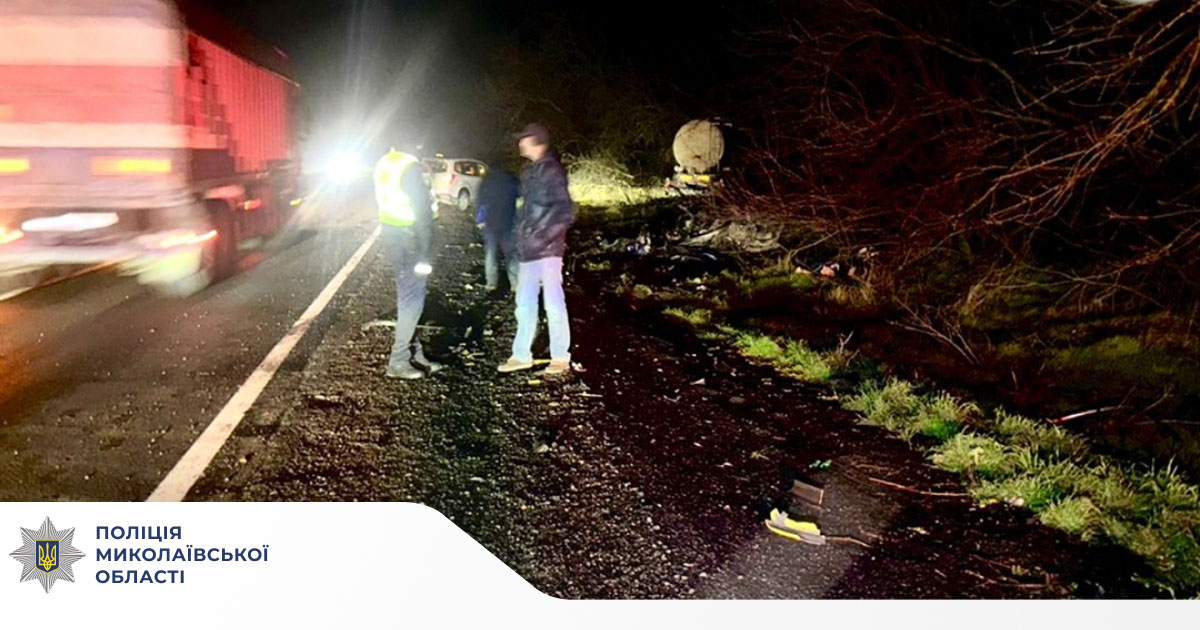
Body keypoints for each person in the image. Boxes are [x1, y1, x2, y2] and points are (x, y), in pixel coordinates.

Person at [498, 123, 574, 376]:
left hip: (547, 250)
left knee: (553, 303)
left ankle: (560, 357)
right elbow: (528, 211)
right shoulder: (531, 171)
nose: (520, 143)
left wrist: (542, 237)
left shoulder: (551, 171)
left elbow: (563, 211)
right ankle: (521, 355)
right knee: (524, 303)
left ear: (537, 142)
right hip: (529, 249)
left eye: (524, 139)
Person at [373, 147, 442, 380]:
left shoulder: (385, 163)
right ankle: (398, 360)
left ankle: (415, 353)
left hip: (395, 237)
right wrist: (426, 253)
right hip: (412, 240)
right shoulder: (410, 167)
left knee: (408, 296)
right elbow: (422, 211)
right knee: (412, 300)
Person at [474, 167, 520, 292]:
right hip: (509, 221)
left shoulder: (487, 180)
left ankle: (491, 283)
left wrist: (480, 219)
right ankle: (515, 283)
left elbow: (481, 201)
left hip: (491, 223)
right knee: (511, 254)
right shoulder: (512, 180)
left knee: (491, 254)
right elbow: (521, 199)